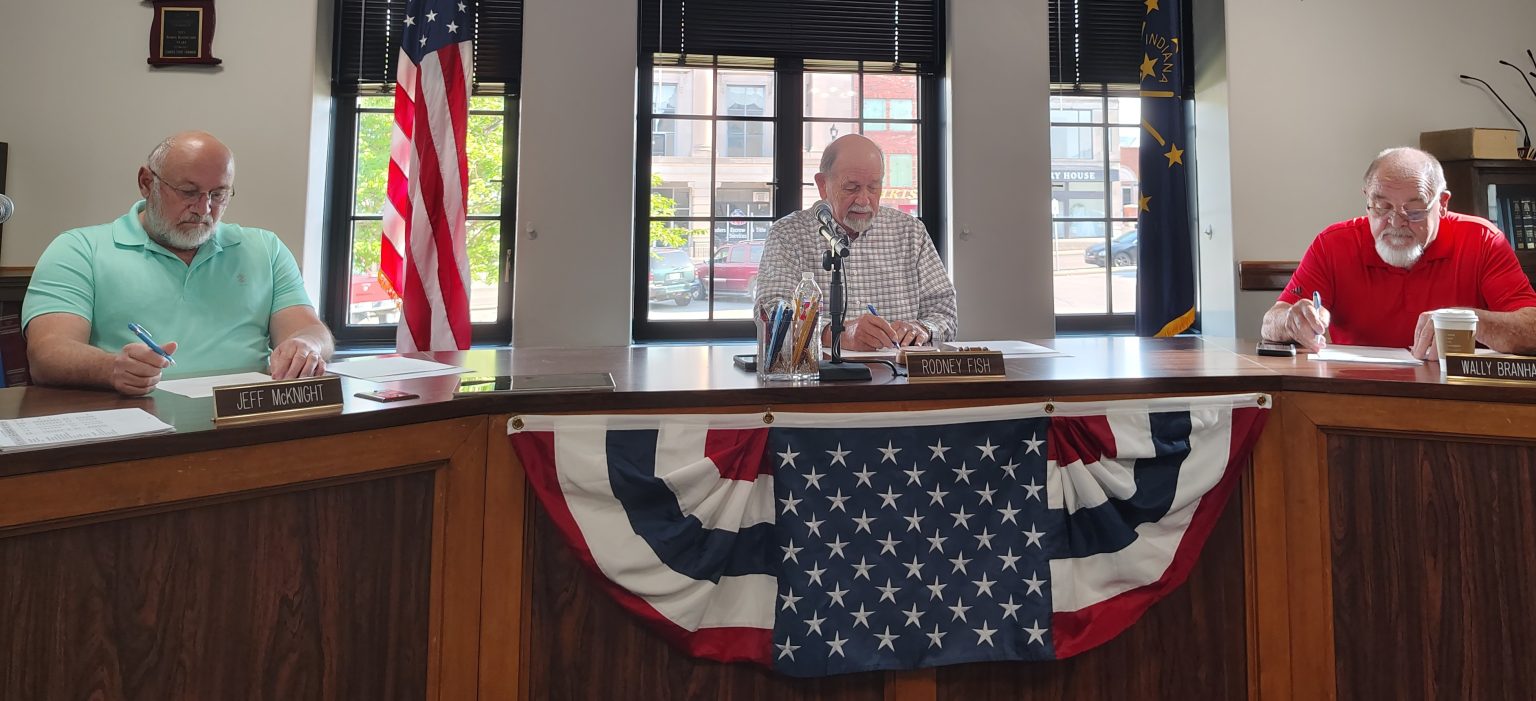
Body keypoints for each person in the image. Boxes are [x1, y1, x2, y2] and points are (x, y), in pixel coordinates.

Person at [23, 131, 334, 395]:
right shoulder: (79, 249)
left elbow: (310, 329)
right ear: (147, 183)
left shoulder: (265, 248)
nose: (204, 208)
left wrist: (306, 346)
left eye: (219, 194)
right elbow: (47, 353)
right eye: (188, 192)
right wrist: (111, 368)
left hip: (246, 416)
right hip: (135, 419)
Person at [1261, 147, 1536, 359]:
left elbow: (1532, 327)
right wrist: (1291, 320)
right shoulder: (1333, 243)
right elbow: (1270, 322)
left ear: (1442, 204)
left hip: (1455, 396)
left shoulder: (1482, 240)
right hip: (1356, 394)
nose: (1396, 222)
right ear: (1367, 199)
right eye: (1382, 207)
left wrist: (1469, 321)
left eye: (1414, 210)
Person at [757, 134, 957, 351]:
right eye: (851, 188)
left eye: (873, 187)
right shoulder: (788, 234)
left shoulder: (911, 232)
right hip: (820, 371)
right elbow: (771, 313)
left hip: (899, 369)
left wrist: (923, 329)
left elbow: (945, 312)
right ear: (823, 185)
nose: (863, 200)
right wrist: (836, 334)